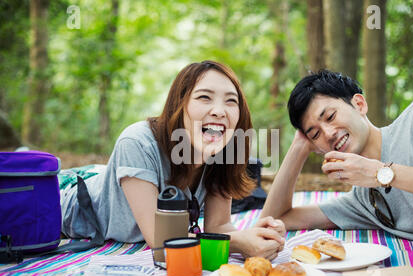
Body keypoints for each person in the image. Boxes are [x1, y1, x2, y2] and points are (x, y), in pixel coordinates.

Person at [61, 60, 285, 260]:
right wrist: (237, 243)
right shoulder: (137, 142)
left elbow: (220, 226)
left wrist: (258, 237)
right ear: (179, 104)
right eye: (204, 97)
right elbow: (160, 239)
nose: (219, 111)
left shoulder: (223, 150)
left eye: (231, 101)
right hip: (74, 210)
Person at [260, 69, 413, 245]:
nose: (328, 133)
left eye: (330, 116)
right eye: (315, 134)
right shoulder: (364, 200)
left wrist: (380, 173)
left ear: (359, 104)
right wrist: (298, 147)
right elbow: (273, 220)